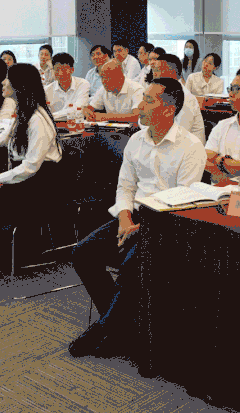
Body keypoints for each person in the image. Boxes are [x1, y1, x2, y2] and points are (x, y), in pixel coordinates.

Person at [69, 78, 205, 357]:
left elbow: (181, 202)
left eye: (149, 100)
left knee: (132, 264)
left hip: (167, 225)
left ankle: (106, 329)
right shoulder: (136, 140)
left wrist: (142, 227)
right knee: (83, 253)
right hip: (133, 217)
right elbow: (125, 187)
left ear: (168, 109)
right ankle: (122, 327)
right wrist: (124, 218)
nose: (140, 106)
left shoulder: (191, 147)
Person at [152, 53, 206, 144]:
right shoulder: (163, 93)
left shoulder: (186, 98)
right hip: (168, 142)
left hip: (187, 147)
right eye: (153, 70)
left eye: (157, 70)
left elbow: (180, 132)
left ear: (172, 73)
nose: (154, 74)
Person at [44, 52, 90, 121]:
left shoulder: (82, 84)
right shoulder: (47, 90)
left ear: (72, 70)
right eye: (57, 69)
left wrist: (51, 116)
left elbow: (79, 108)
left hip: (76, 124)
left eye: (63, 69)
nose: (60, 73)